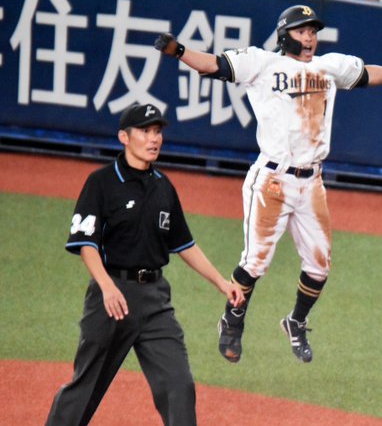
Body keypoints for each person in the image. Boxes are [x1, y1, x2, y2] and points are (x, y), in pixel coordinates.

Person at [154, 5, 382, 363]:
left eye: (313, 31)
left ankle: (295, 322)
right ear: (285, 35)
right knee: (254, 263)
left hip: (311, 182)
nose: (310, 37)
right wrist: (178, 51)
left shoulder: (328, 67)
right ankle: (232, 319)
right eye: (302, 31)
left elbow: (366, 74)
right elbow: (213, 65)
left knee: (319, 265)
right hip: (272, 180)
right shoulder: (262, 63)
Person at [45, 103, 245, 426]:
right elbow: (86, 244)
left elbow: (184, 244)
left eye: (158, 132)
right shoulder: (101, 182)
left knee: (179, 385)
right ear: (124, 137)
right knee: (85, 387)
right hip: (111, 298)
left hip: (155, 302)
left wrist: (222, 283)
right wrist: (107, 287)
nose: (154, 139)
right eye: (145, 131)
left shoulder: (163, 187)